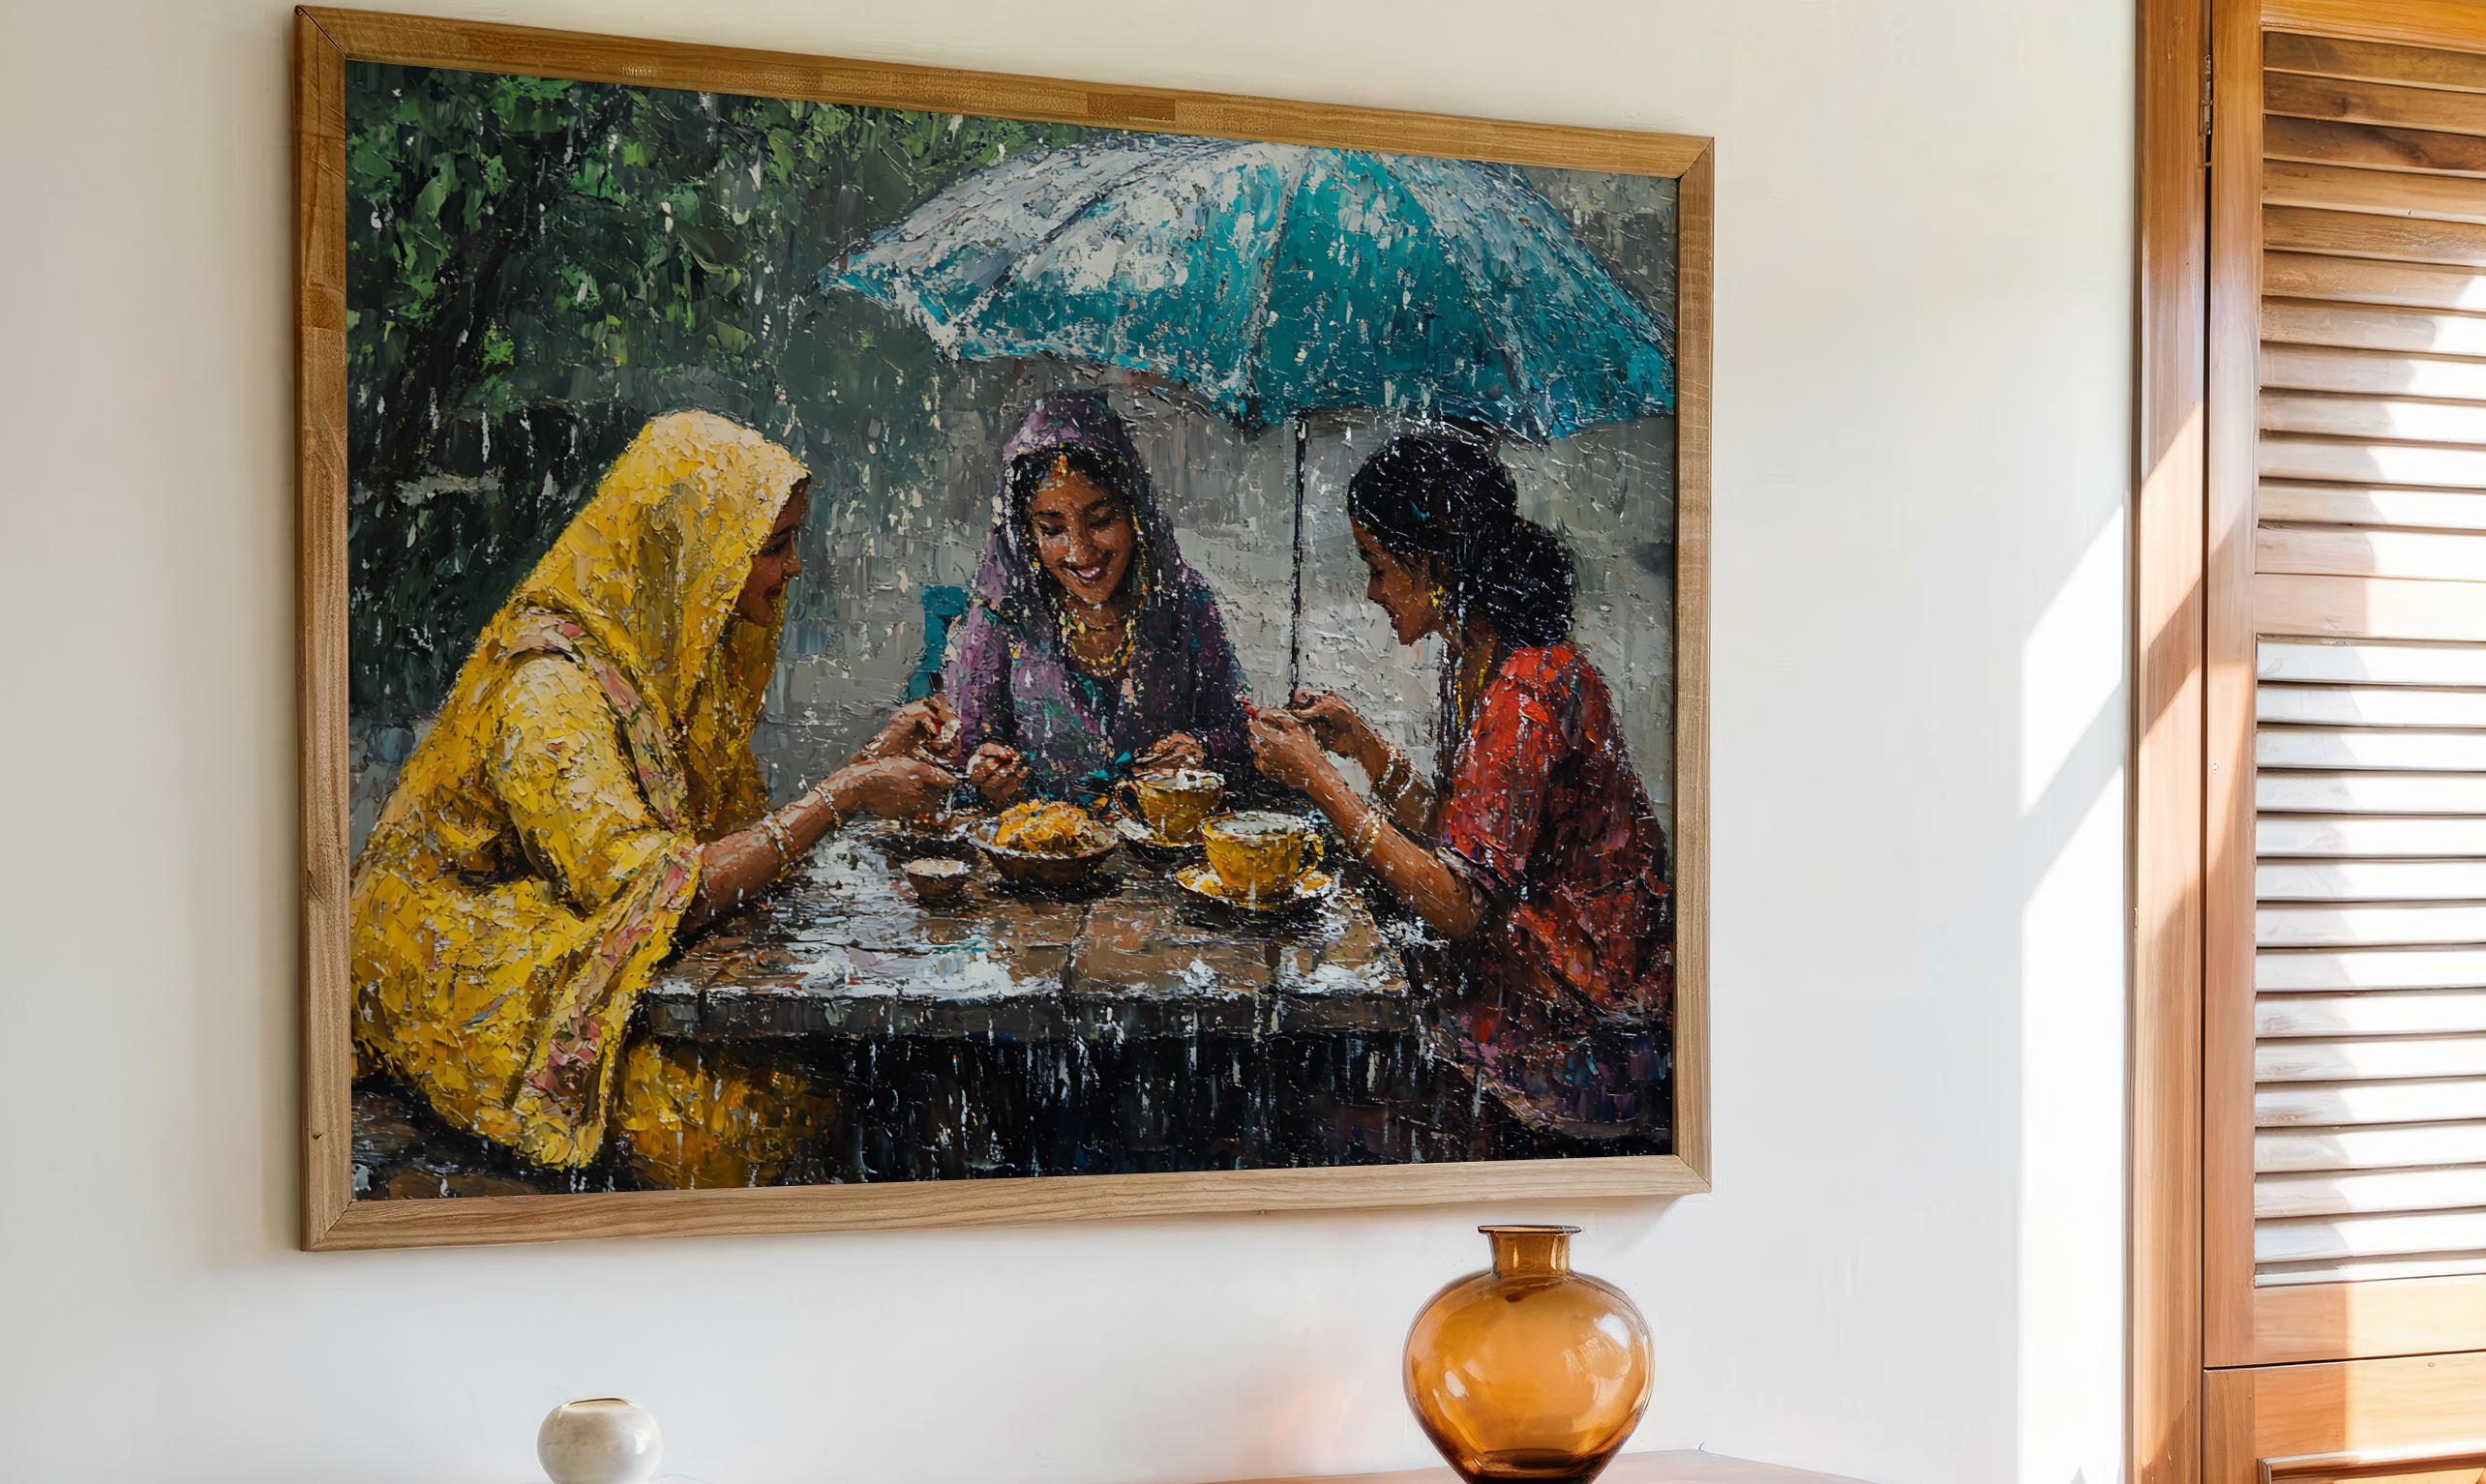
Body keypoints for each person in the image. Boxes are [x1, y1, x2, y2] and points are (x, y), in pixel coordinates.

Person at [349, 410, 959, 1188]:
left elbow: (732, 839)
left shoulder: (666, 658)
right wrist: (847, 793)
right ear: (696, 550)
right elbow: (653, 890)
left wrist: (870, 765)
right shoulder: (546, 690)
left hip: (597, 957)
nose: (795, 567)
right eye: (775, 546)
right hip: (468, 973)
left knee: (858, 1077)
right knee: (737, 1130)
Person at [1245, 430, 1674, 1149]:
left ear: (1436, 565)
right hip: (1528, 982)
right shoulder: (1477, 658)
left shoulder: (1527, 692)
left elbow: (1460, 903)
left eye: (1379, 566)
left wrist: (1320, 780)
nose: (1372, 591)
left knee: (1308, 1093)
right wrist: (1364, 748)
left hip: (1587, 1031)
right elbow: (1468, 838)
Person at [944, 392, 1251, 809]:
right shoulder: (1003, 615)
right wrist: (985, 770)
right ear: (1028, 536)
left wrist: (1200, 749)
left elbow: (1238, 733)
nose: (1081, 552)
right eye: (1053, 529)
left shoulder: (1183, 604)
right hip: (1038, 840)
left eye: (1102, 521)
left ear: (1134, 514)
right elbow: (963, 750)